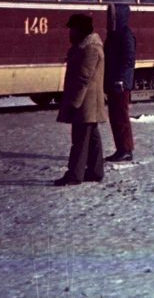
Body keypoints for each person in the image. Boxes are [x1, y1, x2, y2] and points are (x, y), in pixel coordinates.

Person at [54, 14, 106, 186]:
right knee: (91, 138)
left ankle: (74, 174)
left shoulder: (90, 49)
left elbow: (84, 78)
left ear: (81, 30)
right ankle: (95, 171)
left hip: (85, 102)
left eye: (73, 29)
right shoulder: (85, 47)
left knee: (80, 140)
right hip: (88, 101)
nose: (70, 33)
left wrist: (74, 102)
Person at [104, 3, 136, 163]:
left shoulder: (125, 34)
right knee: (115, 117)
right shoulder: (114, 34)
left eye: (112, 15)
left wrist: (121, 79)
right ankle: (121, 149)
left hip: (120, 84)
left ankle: (126, 149)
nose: (109, 19)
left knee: (121, 116)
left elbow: (128, 59)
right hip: (114, 81)